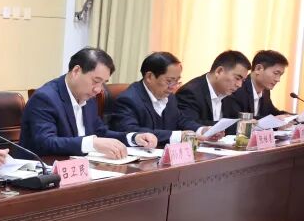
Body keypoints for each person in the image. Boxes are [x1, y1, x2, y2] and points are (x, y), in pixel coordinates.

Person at [20, 47, 158, 158]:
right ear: (76, 71)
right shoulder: (45, 98)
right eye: (96, 81)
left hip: (83, 169)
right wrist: (91, 143)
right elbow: (46, 142)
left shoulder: (89, 97)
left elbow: (100, 132)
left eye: (103, 83)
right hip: (46, 171)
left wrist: (134, 138)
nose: (98, 89)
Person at [106, 51, 206, 146]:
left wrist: (201, 130)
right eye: (169, 81)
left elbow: (181, 120)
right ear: (149, 77)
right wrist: (177, 136)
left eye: (177, 81)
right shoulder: (128, 99)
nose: (173, 87)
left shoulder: (170, 97)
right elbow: (130, 131)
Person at [176, 50, 251, 126]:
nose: (239, 85)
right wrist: (232, 125)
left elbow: (235, 120)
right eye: (237, 78)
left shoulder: (229, 95)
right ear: (219, 71)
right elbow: (190, 125)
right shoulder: (190, 92)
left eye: (243, 80)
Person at [225, 49, 293, 121]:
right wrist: (272, 120)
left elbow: (273, 113)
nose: (278, 79)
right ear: (258, 69)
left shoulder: (265, 91)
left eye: (280, 75)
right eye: (276, 73)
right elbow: (237, 120)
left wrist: (295, 117)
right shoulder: (237, 88)